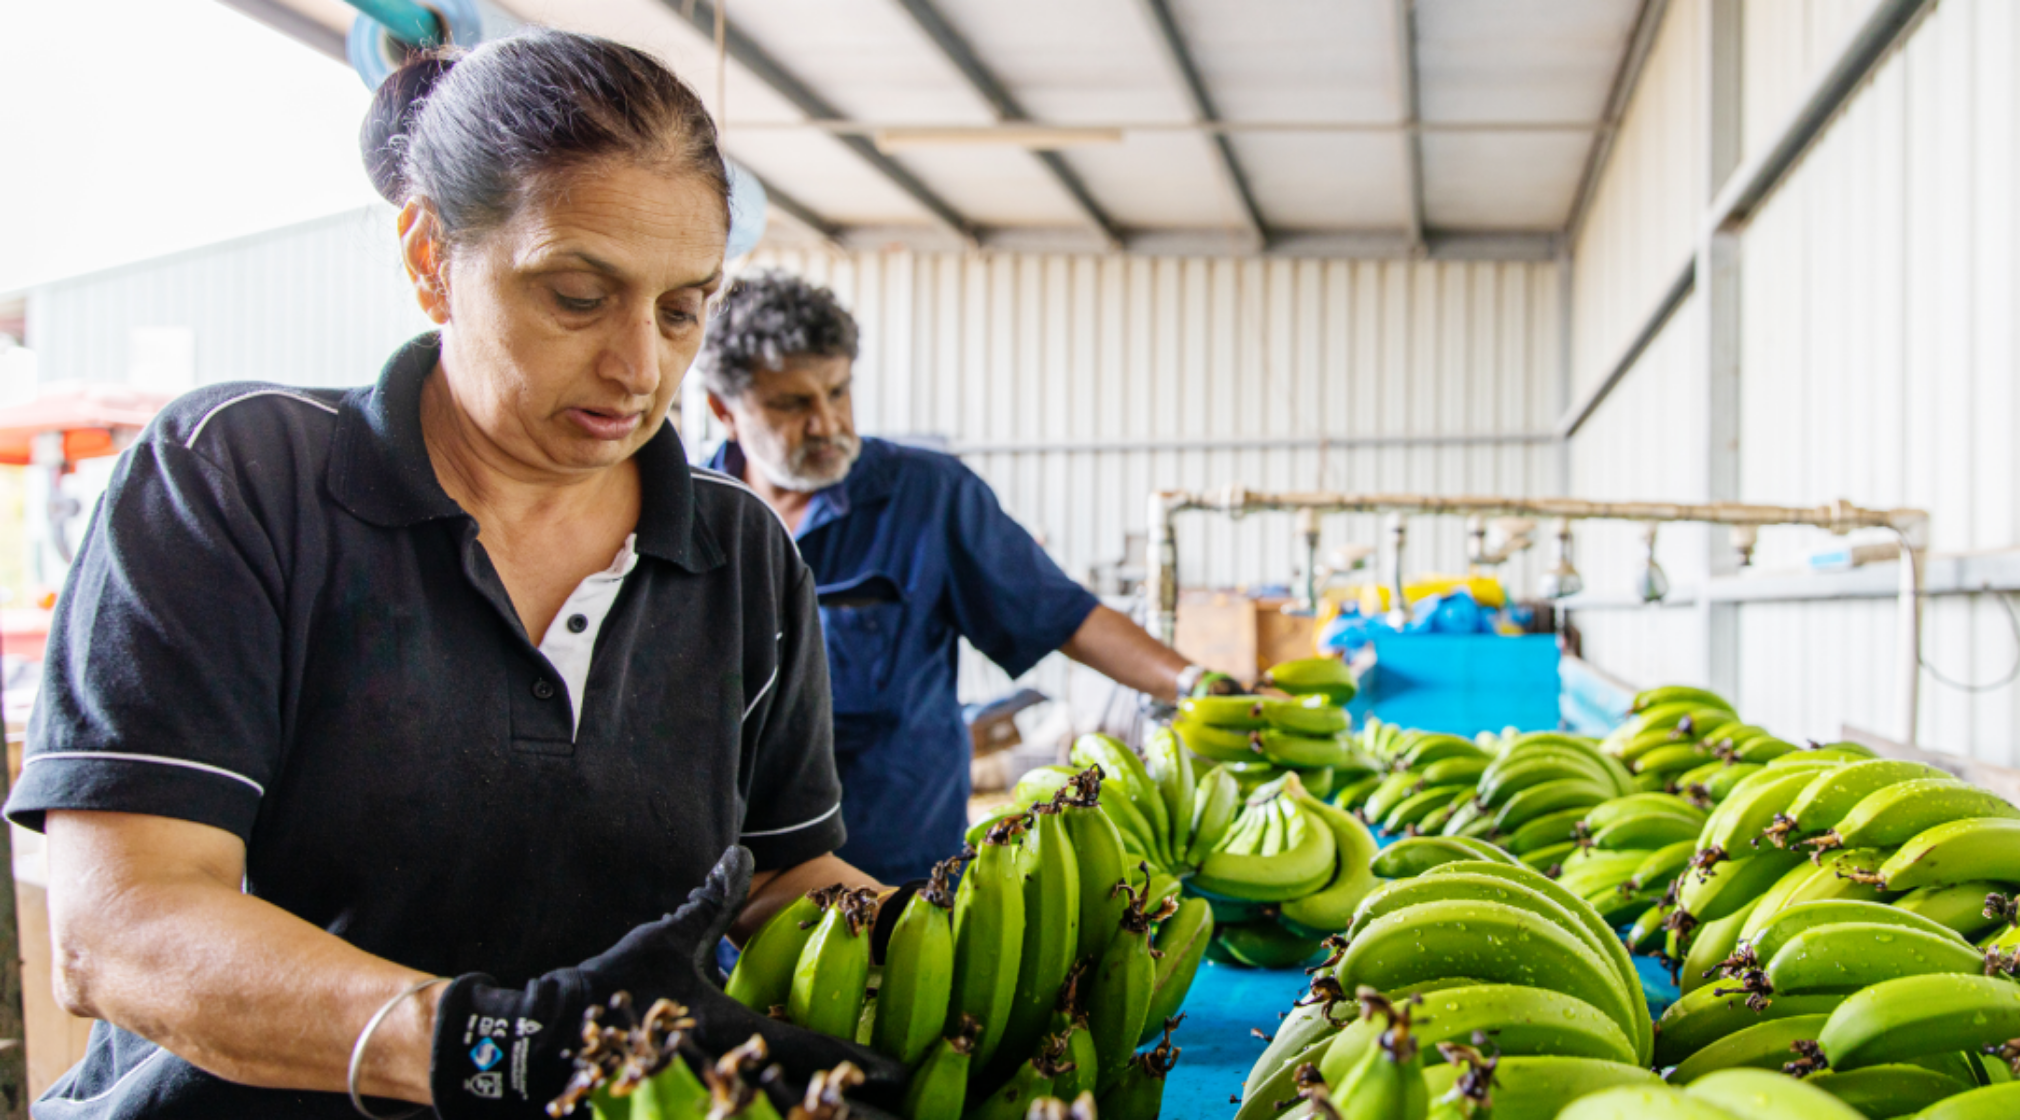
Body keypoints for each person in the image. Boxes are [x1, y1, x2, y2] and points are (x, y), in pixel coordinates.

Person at [5, 33, 900, 1119]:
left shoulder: (741, 554)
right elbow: (121, 929)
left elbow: (779, 878)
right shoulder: (241, 478)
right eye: (576, 294)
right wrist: (481, 1043)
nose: (639, 366)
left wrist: (963, 942)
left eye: (681, 307)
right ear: (430, 256)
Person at [695, 274, 1240, 885]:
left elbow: (1062, 615)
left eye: (838, 391)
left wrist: (1197, 683)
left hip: (898, 867)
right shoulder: (690, 517)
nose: (826, 423)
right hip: (721, 874)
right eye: (791, 405)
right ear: (725, 410)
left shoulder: (928, 496)